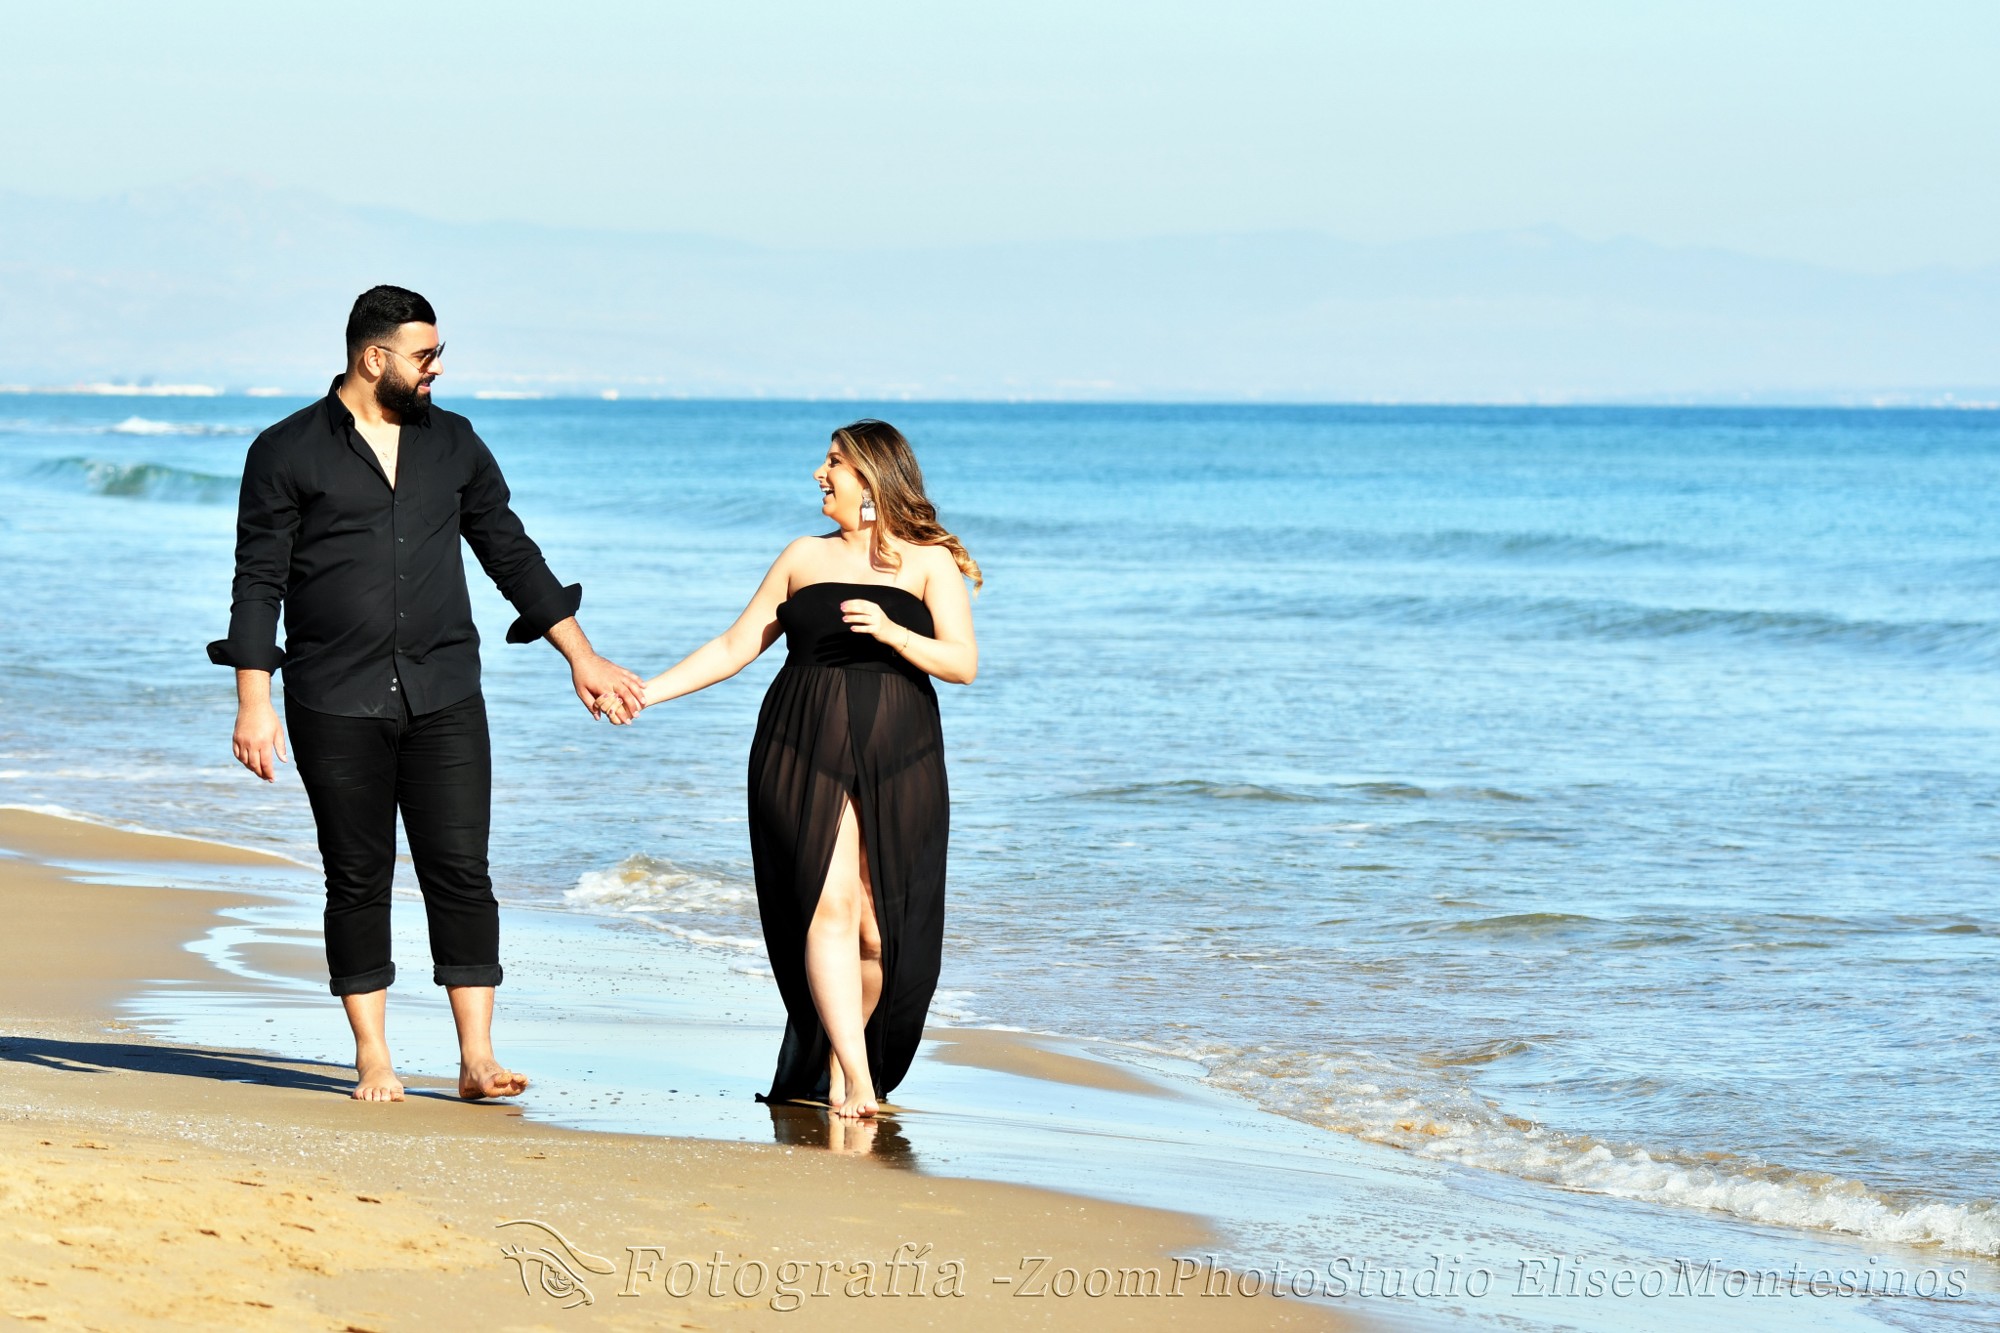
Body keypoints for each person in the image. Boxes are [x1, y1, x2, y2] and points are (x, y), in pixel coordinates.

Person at [208, 285, 646, 1103]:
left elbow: (510, 553)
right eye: (425, 355)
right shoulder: (285, 451)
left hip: (445, 689)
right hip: (332, 698)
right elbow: (257, 580)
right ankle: (374, 1054)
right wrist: (252, 699)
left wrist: (579, 655)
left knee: (460, 869)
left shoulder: (455, 444)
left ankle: (477, 1057)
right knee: (357, 874)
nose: (436, 369)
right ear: (375, 359)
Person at [606, 420, 978, 1118]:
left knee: (877, 929)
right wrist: (645, 692)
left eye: (833, 462)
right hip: (800, 743)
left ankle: (844, 1068)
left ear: (870, 475)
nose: (819, 473)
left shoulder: (927, 560)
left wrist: (897, 632)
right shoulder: (800, 556)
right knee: (829, 906)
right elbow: (736, 643)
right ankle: (859, 1085)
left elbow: (963, 662)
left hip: (902, 754)